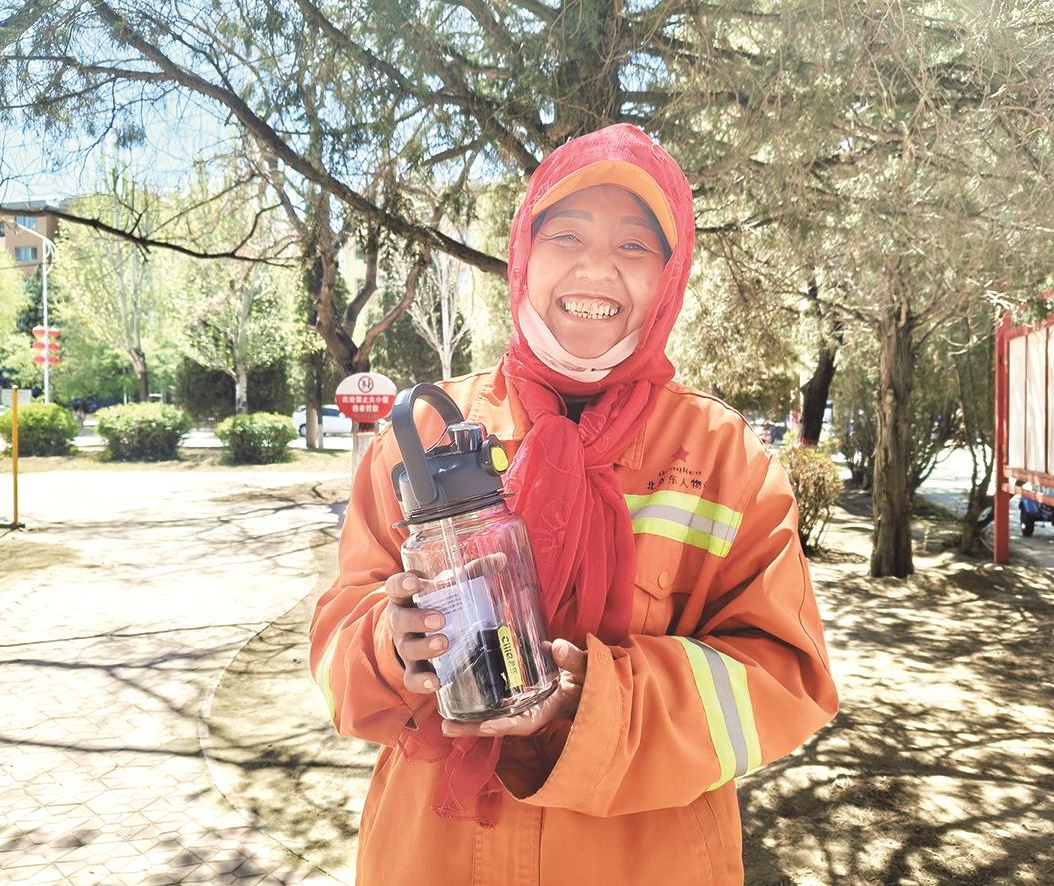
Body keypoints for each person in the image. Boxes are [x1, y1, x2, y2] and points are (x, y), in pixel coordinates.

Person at [310, 124, 838, 885]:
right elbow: (335, 648)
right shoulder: (420, 435)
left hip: (646, 862)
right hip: (432, 856)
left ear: (669, 277)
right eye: (566, 235)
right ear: (524, 255)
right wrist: (390, 648)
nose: (596, 267)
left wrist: (601, 702)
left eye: (634, 245)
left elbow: (786, 682)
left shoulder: (728, 458)